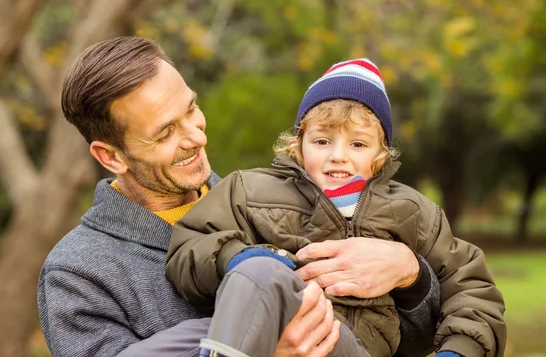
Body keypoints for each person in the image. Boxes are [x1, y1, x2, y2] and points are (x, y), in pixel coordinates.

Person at [37, 37, 442, 357]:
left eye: (191, 109)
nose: (196, 137)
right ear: (110, 156)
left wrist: (411, 275)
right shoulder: (77, 273)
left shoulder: (270, 199)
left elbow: (412, 341)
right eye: (165, 132)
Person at [166, 58, 507, 357]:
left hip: (348, 348)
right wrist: (238, 258)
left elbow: (472, 291)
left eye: (358, 144)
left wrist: (458, 351)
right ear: (298, 146)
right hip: (273, 331)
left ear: (380, 156)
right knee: (185, 331)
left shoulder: (413, 211)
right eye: (322, 141)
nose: (338, 155)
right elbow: (191, 243)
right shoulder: (249, 190)